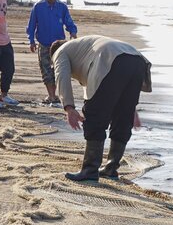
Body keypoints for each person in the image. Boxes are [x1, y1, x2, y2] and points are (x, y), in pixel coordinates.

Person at [50, 35, 151, 181]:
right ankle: (111, 168)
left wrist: (69, 108)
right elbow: (99, 88)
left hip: (110, 59)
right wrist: (130, 108)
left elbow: (62, 76)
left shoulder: (60, 52)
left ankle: (90, 170)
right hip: (137, 60)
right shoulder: (82, 47)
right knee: (123, 119)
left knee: (94, 117)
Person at [26, 0, 77, 105]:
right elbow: (32, 25)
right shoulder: (38, 7)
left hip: (59, 45)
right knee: (45, 69)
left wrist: (73, 32)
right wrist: (31, 41)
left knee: (59, 69)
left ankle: (59, 95)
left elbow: (68, 21)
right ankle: (51, 95)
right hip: (43, 43)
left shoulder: (62, 7)